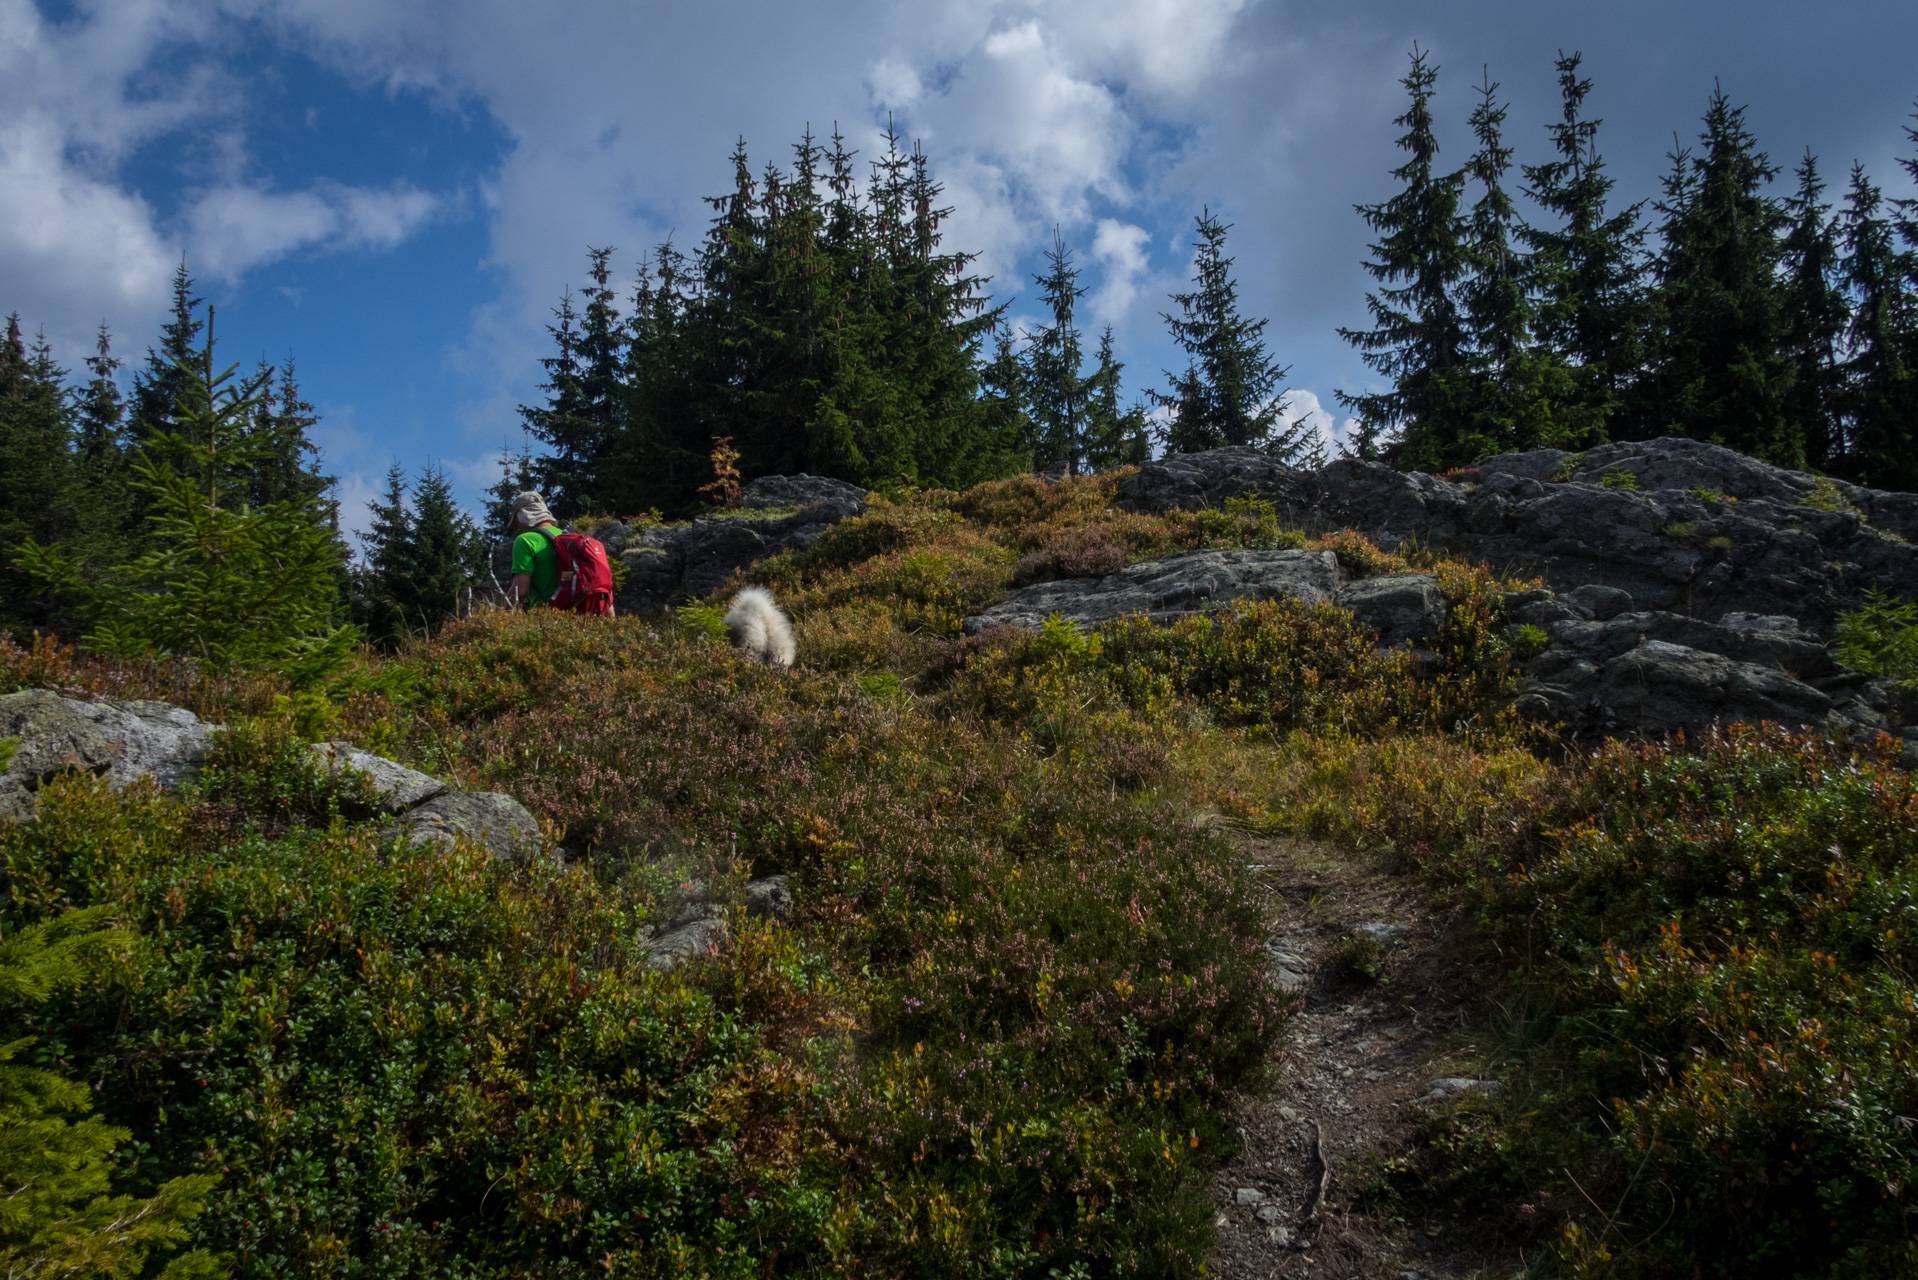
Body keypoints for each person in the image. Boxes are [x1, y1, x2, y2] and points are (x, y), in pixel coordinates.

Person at [507, 491, 561, 608]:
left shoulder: (525, 540)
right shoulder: (569, 537)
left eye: (516, 523)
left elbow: (519, 592)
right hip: (579, 614)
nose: (518, 528)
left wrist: (501, 618)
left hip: (545, 616)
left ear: (521, 516)